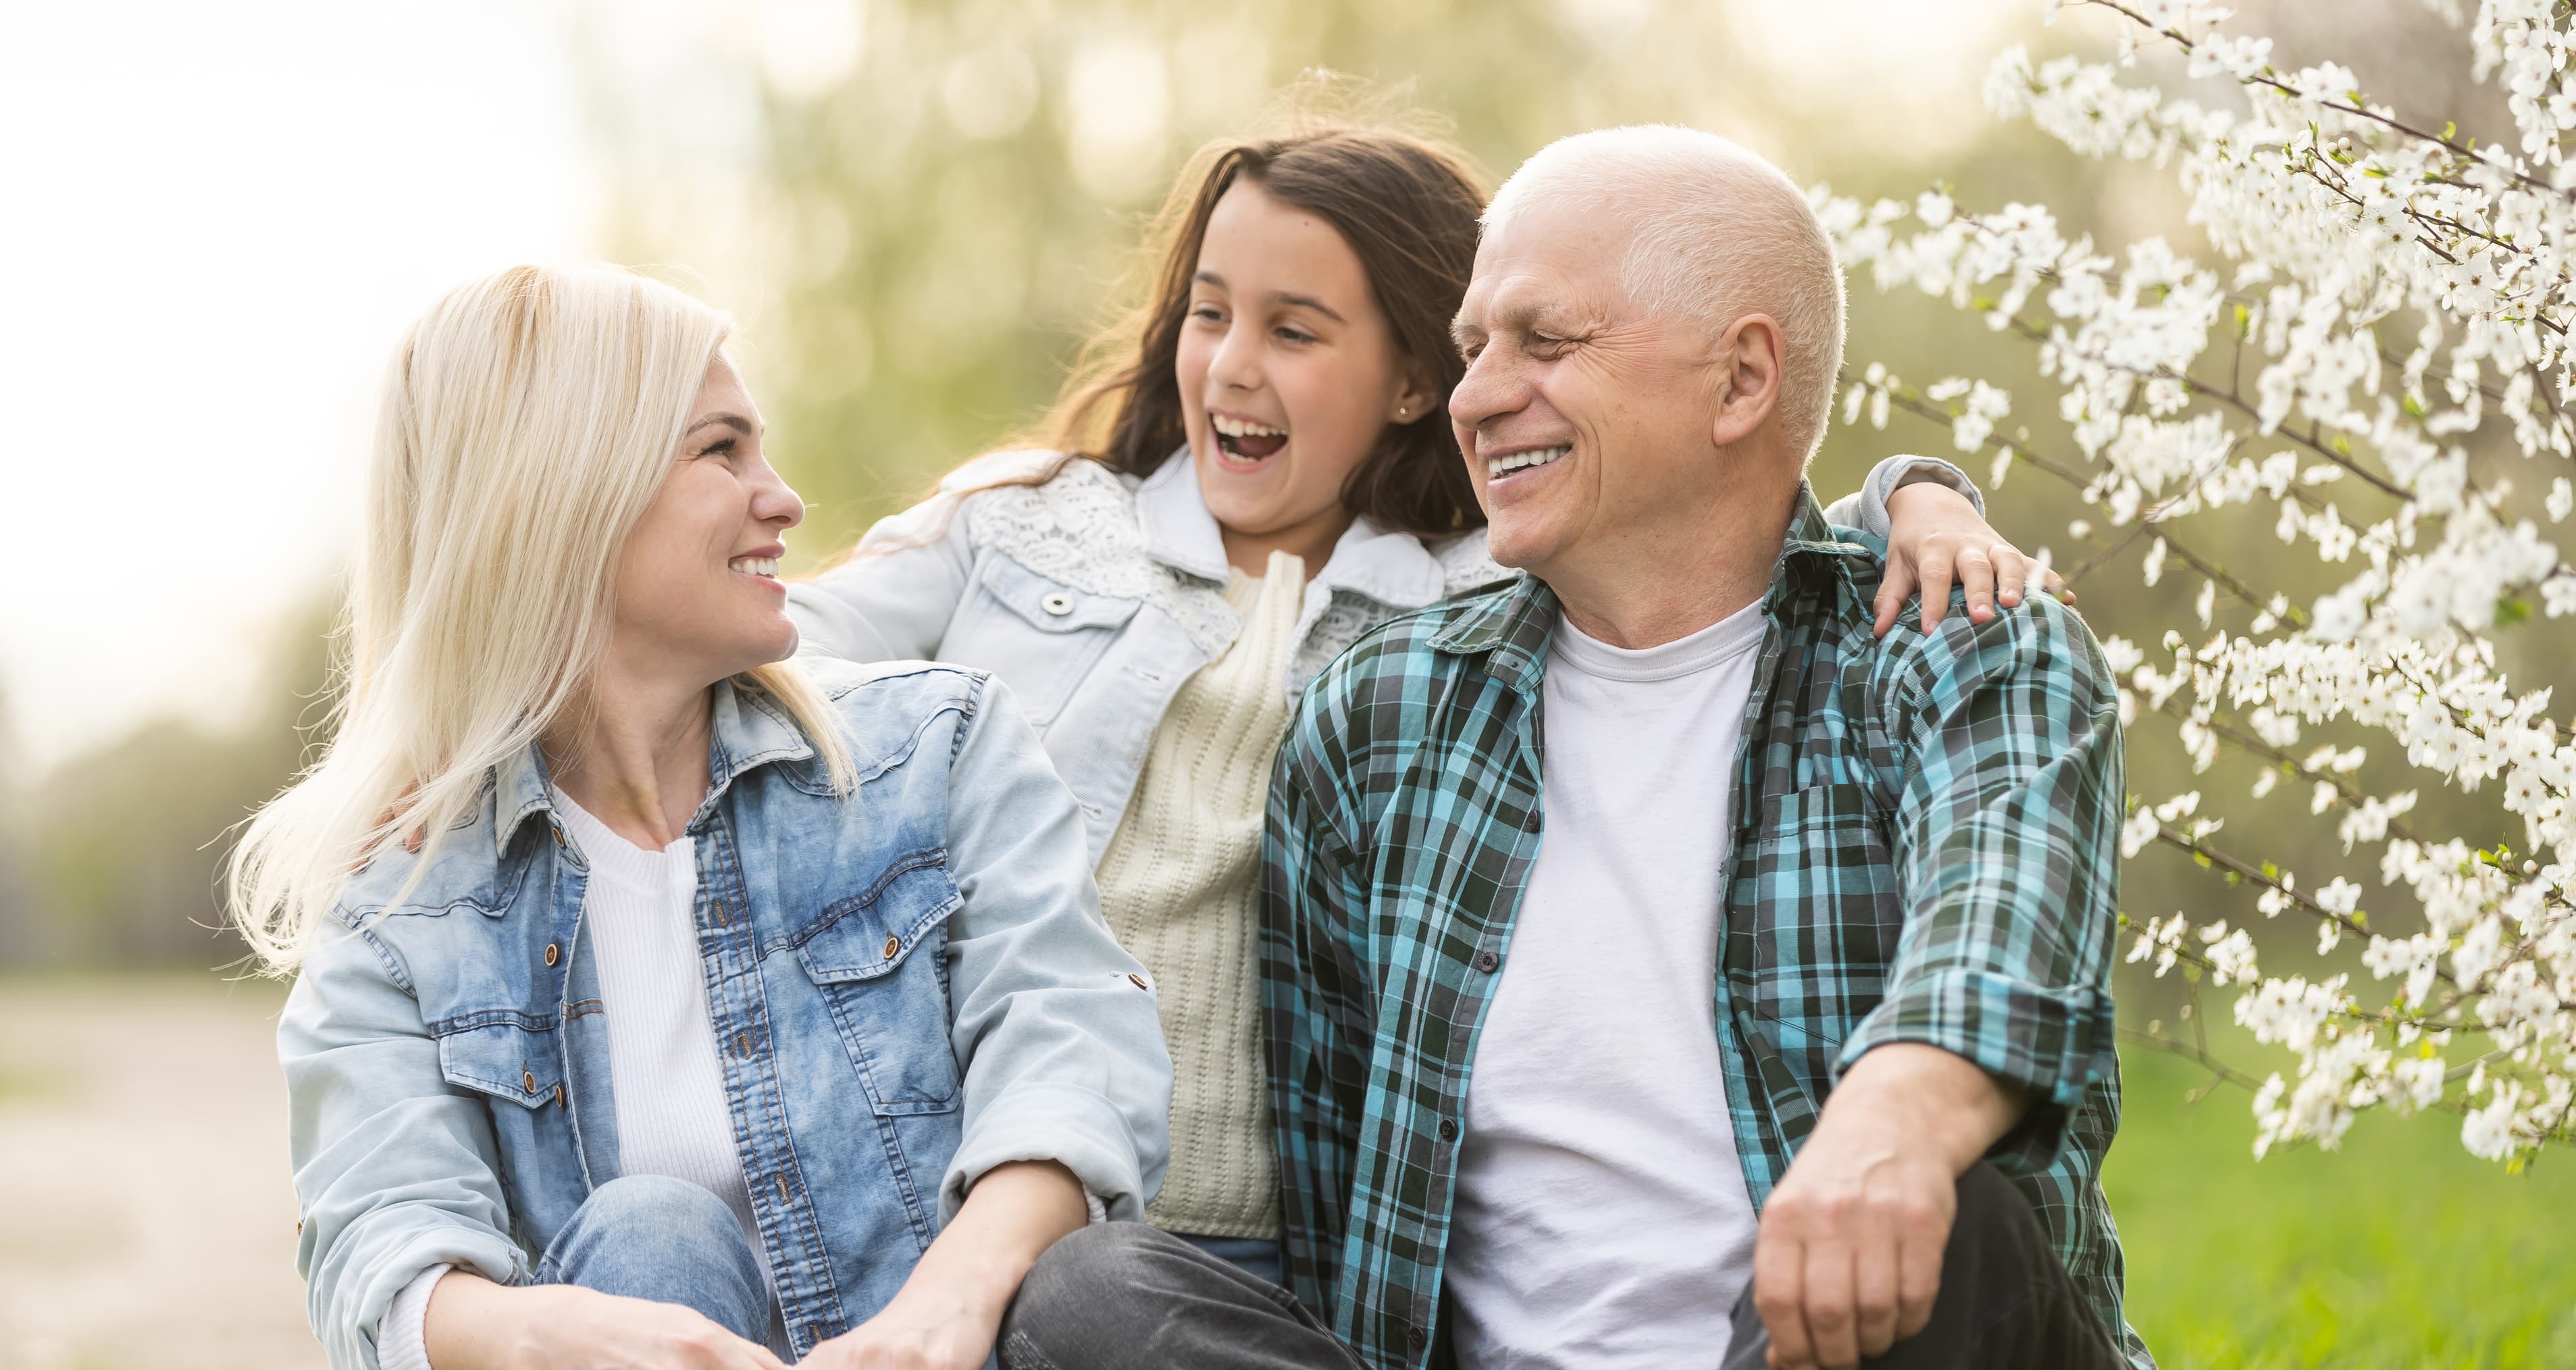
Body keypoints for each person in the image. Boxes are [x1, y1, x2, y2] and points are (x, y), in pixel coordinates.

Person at [997, 127, 2206, 1370]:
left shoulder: (1963, 638)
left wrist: (1897, 1124)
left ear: (1742, 376)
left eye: (1547, 342)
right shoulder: (1382, 721)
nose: (1479, 395)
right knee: (1094, 1304)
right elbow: (1341, 1196)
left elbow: (2006, 935)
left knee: (1967, 1231)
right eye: (1470, 349)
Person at [788, 114, 2050, 1290]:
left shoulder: (1463, 600)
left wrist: (1912, 495)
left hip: (1252, 1244)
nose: (1229, 368)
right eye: (1208, 314)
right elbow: (773, 651)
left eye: (1293, 332)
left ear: (1404, 381)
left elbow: (1721, 536)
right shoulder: (1023, 529)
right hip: (983, 1174)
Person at [238, 265, 1170, 1370]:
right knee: (650, 1244)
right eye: (721, 451)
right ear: (568, 495)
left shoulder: (932, 752)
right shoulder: (403, 913)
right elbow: (386, 1280)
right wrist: (561, 1338)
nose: (781, 498)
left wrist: (944, 1304)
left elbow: (1075, 1051)